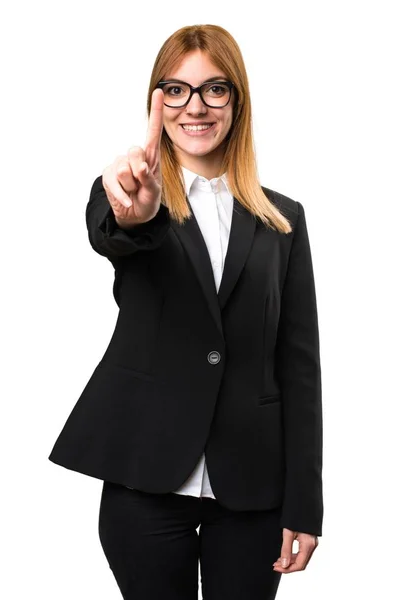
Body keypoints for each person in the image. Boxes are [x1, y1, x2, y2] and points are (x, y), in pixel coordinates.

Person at [48, 23, 323, 600]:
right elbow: (115, 235)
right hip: (145, 482)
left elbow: (300, 368)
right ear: (156, 101)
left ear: (236, 101)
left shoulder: (284, 220)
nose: (194, 107)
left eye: (213, 89)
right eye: (175, 90)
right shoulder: (130, 195)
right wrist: (135, 211)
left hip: (252, 492)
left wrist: (306, 500)